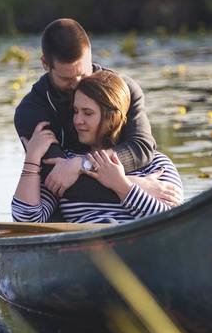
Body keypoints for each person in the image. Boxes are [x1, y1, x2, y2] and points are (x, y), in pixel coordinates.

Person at [13, 18, 181, 208]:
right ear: (45, 63)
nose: (77, 84)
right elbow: (59, 182)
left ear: (90, 55)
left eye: (84, 73)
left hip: (133, 203)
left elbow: (140, 149)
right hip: (71, 212)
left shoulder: (125, 90)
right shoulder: (31, 111)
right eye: (67, 78)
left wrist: (82, 164)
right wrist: (138, 186)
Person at [12, 70, 183, 224]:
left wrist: (123, 186)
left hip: (141, 245)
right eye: (75, 111)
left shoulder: (156, 164)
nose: (77, 121)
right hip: (86, 248)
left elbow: (174, 219)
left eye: (88, 113)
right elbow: (27, 219)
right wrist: (32, 159)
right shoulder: (65, 164)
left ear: (112, 118)